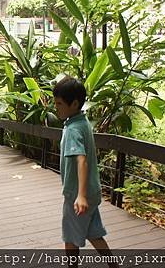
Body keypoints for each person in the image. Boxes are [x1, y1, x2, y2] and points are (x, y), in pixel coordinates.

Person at [53, 76, 117, 268]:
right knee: (94, 233)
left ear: (74, 104)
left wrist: (80, 196)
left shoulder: (73, 129)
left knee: (71, 238)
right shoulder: (82, 122)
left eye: (59, 103)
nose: (56, 107)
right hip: (92, 191)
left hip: (78, 195)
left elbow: (81, 160)